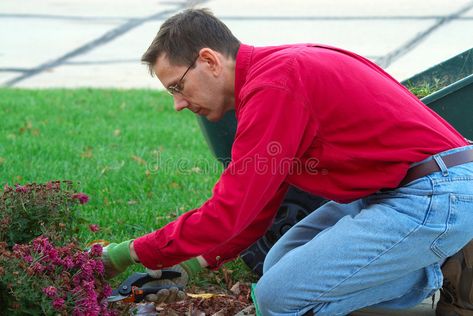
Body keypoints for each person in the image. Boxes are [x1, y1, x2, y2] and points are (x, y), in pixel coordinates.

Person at [100, 8, 473, 316]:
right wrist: (195, 262)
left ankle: (437, 266)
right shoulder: (272, 76)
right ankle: (432, 264)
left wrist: (125, 253)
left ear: (209, 60)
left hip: (435, 193)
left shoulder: (274, 85)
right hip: (399, 192)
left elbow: (227, 209)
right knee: (277, 267)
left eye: (176, 87)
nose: (178, 103)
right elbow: (255, 208)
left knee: (279, 297)